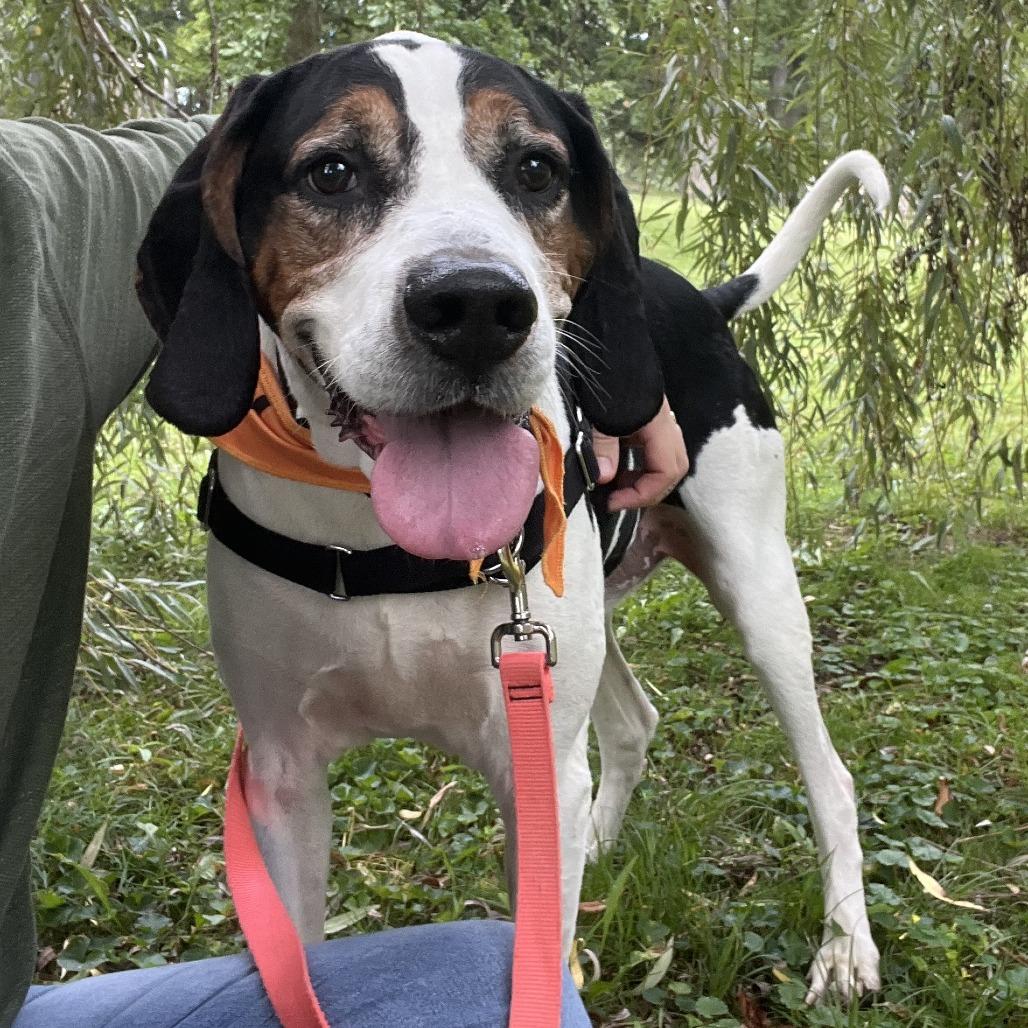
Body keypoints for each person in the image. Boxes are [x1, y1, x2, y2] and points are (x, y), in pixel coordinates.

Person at [0, 112, 686, 1028]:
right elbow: (277, 775)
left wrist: (627, 375)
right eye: (332, 178)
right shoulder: (117, 238)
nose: (473, 292)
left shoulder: (34, 212)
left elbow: (237, 137)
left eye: (531, 172)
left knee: (515, 982)